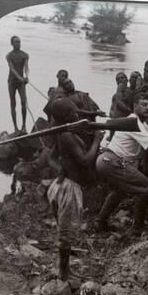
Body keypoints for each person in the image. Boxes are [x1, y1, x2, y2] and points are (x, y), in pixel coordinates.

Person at [95, 94, 148, 235]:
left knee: (120, 191)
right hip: (112, 161)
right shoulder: (133, 123)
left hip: (107, 161)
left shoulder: (140, 123)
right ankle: (137, 229)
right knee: (146, 187)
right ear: (135, 106)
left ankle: (100, 222)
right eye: (144, 104)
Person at [46, 98, 104, 282]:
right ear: (65, 116)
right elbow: (86, 160)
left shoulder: (63, 132)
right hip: (68, 189)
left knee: (65, 230)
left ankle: (65, 268)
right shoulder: (67, 136)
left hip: (60, 185)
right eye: (73, 113)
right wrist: (97, 139)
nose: (77, 114)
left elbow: (51, 157)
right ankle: (64, 273)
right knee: (66, 234)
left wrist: (59, 168)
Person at [6, 36, 30, 133]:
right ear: (12, 44)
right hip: (12, 81)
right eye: (16, 42)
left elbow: (26, 67)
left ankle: (24, 126)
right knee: (13, 104)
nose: (18, 44)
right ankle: (15, 128)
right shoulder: (9, 56)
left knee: (24, 102)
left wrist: (27, 77)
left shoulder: (25, 55)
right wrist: (20, 78)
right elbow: (12, 69)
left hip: (21, 83)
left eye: (19, 42)